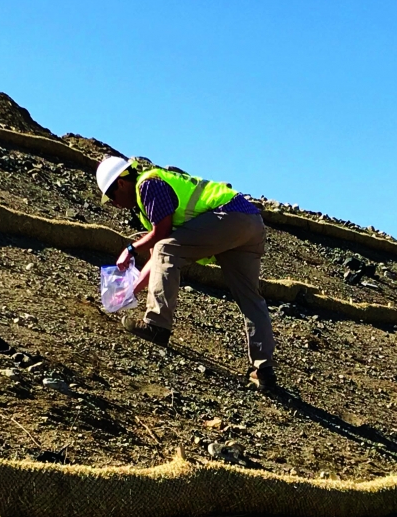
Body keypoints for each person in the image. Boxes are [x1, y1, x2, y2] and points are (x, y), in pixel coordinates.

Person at [95, 156, 276, 394]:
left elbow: (162, 235)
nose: (116, 205)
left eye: (113, 198)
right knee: (250, 297)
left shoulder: (148, 184)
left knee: (164, 247)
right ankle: (263, 370)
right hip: (250, 222)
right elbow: (158, 260)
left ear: (120, 183)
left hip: (230, 216)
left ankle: (157, 326)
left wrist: (130, 249)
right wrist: (128, 291)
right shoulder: (149, 198)